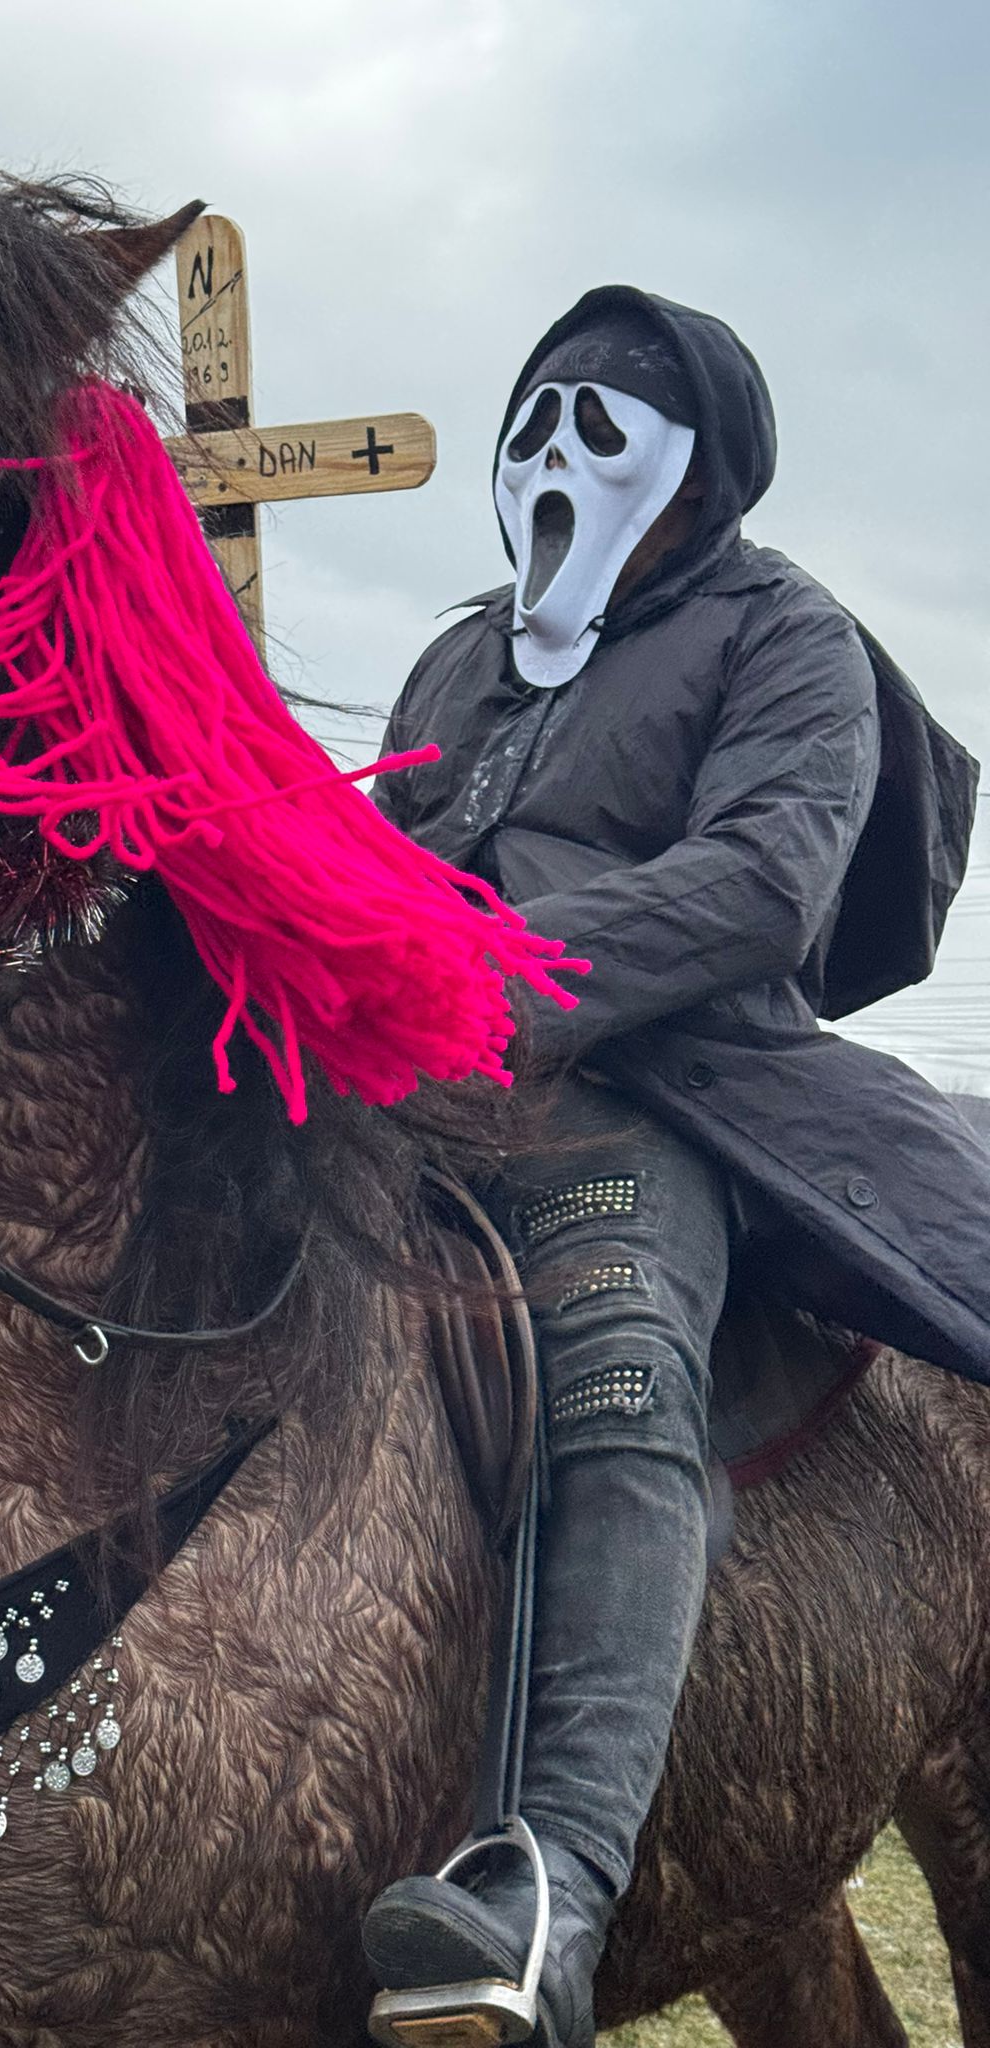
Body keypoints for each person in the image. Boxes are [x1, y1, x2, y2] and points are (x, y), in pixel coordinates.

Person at [362, 287, 990, 2045]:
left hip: (650, 1092)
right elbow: (380, 853)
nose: (549, 454)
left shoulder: (788, 635)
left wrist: (489, 980)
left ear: (701, 470)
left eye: (601, 424)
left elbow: (769, 879)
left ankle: (546, 1886)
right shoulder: (458, 658)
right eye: (531, 419)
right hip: (404, 1090)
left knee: (617, 1366)